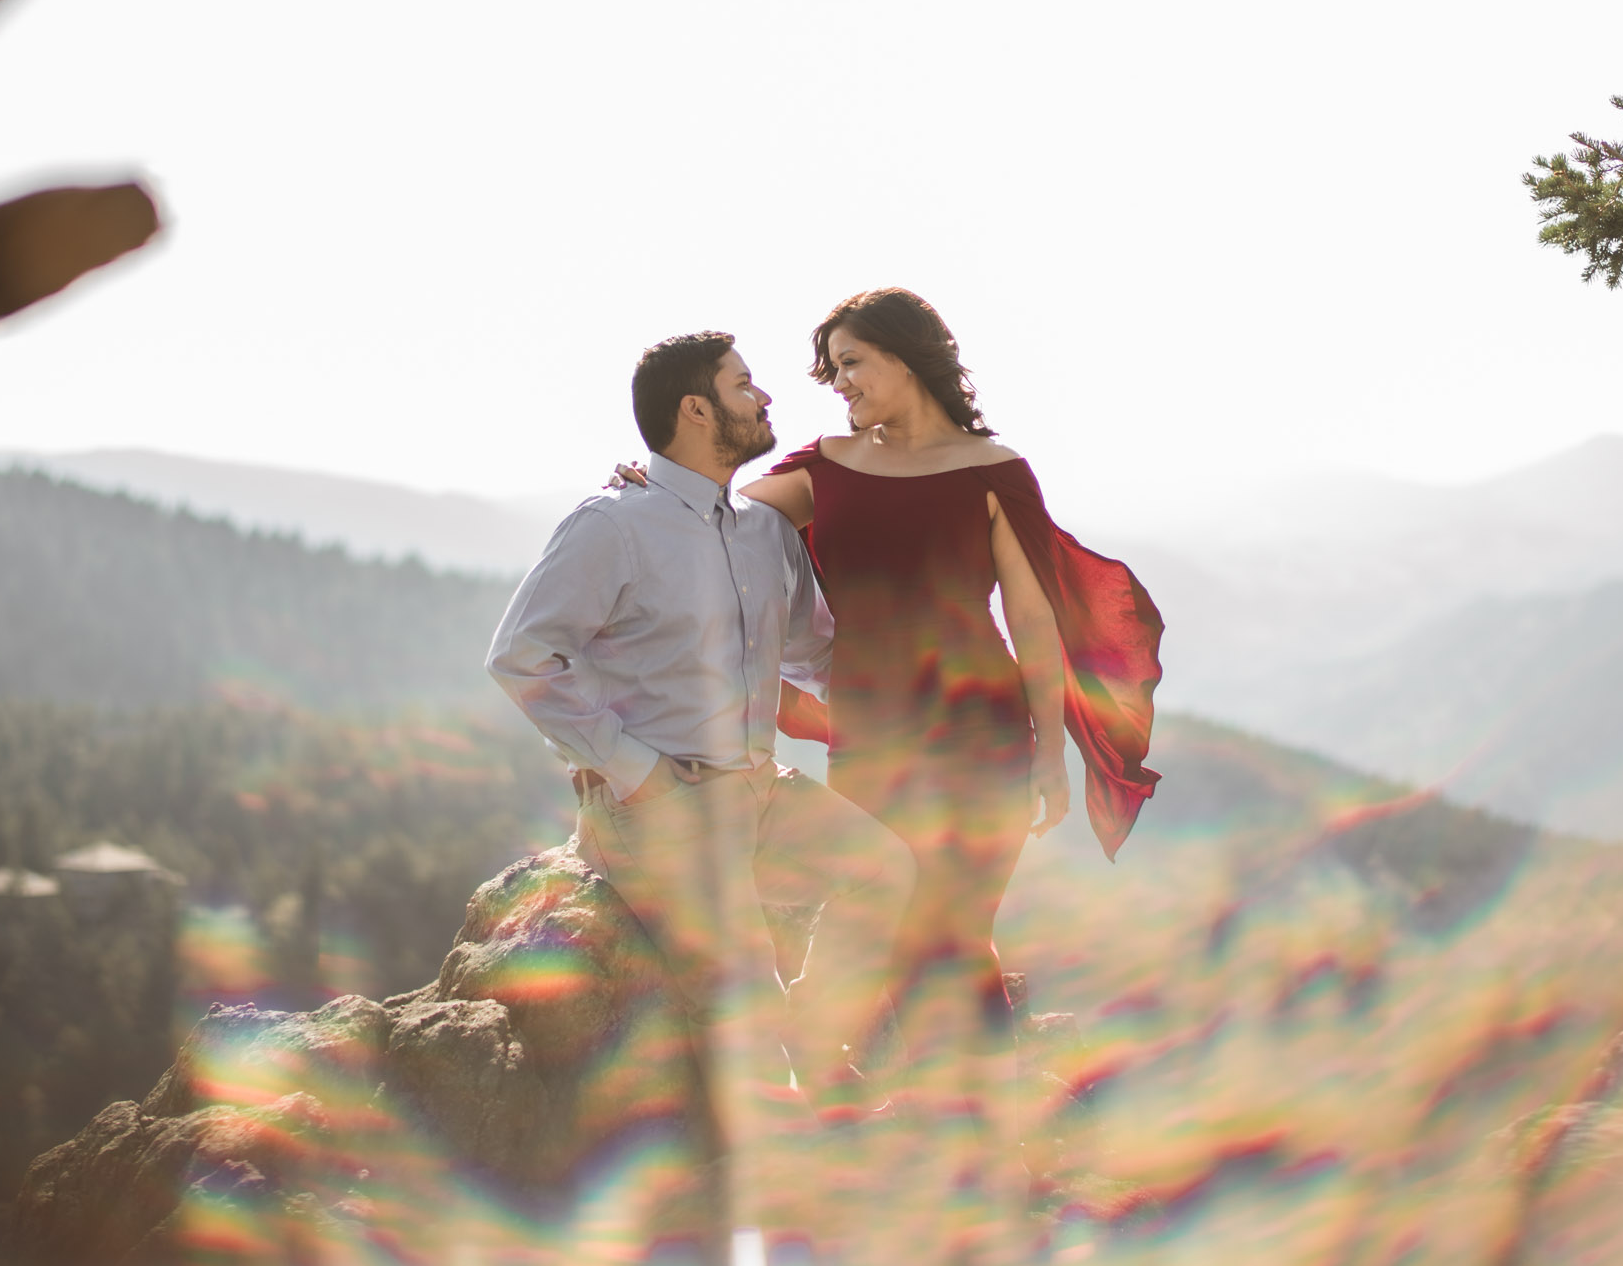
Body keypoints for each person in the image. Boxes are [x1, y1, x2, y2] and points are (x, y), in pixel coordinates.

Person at [620, 289, 1164, 1260]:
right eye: (827, 368)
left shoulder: (993, 470)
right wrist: (650, 485)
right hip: (873, 743)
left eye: (850, 362)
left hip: (983, 738)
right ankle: (906, 1139)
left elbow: (1032, 619)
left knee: (953, 931)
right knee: (898, 927)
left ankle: (964, 1156)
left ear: (906, 360)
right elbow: (718, 518)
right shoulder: (820, 470)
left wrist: (1046, 750)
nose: (835, 384)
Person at [485, 330, 917, 1262]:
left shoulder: (762, 531)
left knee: (883, 868)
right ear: (695, 410)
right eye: (744, 385)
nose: (766, 398)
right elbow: (521, 655)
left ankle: (807, 1046)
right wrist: (632, 768)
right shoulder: (611, 524)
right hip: (661, 803)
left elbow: (820, 649)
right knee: (740, 986)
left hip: (759, 788)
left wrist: (944, 696)